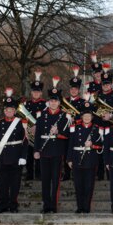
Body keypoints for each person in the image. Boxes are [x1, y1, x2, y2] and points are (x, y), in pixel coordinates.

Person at [34, 77, 70, 213]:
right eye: (51, 101)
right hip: (44, 150)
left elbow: (67, 135)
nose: (53, 103)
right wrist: (36, 150)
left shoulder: (64, 116)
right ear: (48, 102)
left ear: (59, 102)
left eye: (55, 101)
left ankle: (53, 205)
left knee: (55, 180)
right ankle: (46, 205)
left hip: (57, 150)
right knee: (45, 180)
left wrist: (58, 131)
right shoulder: (41, 116)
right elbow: (37, 135)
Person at [66, 100, 103, 213]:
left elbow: (101, 146)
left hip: (90, 160)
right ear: (81, 116)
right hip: (77, 159)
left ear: (92, 117)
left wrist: (92, 145)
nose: (87, 117)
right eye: (85, 115)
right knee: (78, 185)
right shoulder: (74, 127)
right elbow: (70, 144)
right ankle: (79, 207)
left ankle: (86, 207)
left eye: (89, 116)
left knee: (88, 186)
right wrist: (69, 159)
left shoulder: (97, 129)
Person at [23, 70, 46, 180]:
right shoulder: (26, 104)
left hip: (40, 133)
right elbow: (23, 118)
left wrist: (37, 126)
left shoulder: (45, 104)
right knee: (29, 154)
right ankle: (29, 174)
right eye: (34, 91)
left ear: (41, 93)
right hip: (28, 133)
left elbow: (46, 119)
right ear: (31, 92)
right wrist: (26, 129)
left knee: (39, 153)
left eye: (38, 92)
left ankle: (39, 174)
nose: (36, 93)